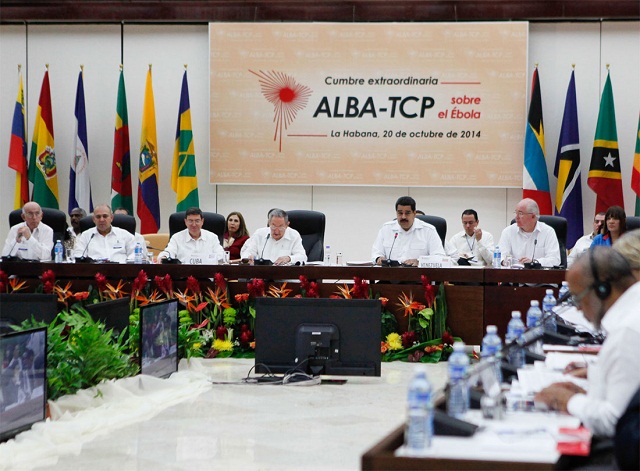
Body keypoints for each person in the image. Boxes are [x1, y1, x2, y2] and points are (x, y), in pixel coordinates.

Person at [534, 247, 640, 438]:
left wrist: (568, 400)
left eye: (578, 298)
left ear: (602, 289)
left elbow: (616, 422)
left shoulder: (627, 332)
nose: (578, 309)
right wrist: (591, 386)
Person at [372, 196, 445, 266]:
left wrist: (419, 261)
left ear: (414, 213)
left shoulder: (428, 230)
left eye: (407, 213)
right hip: (390, 276)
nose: (403, 217)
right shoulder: (386, 229)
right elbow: (376, 253)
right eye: (400, 213)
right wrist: (378, 258)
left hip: (418, 276)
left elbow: (439, 257)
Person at [498, 198, 560, 267]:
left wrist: (533, 262)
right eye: (516, 213)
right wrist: (504, 261)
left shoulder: (548, 232)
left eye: (520, 213)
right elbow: (500, 256)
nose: (516, 217)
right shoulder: (508, 231)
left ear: (533, 216)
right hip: (514, 275)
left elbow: (555, 260)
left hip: (539, 275)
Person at [158, 207, 225, 264]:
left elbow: (221, 256)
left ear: (202, 221)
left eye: (197, 221)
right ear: (185, 221)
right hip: (182, 276)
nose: (194, 224)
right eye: (190, 221)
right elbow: (169, 252)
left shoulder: (212, 237)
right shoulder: (176, 237)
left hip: (207, 275)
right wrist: (164, 257)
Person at [240, 208, 307, 266]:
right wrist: (248, 257)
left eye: (281, 227)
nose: (276, 231)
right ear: (269, 223)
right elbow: (247, 252)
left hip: (285, 277)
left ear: (287, 225)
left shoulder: (294, 235)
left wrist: (288, 258)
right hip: (261, 276)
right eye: (273, 226)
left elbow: (302, 257)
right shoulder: (259, 234)